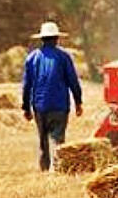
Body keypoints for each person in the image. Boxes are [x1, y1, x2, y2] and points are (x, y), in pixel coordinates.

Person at [22, 21, 83, 172]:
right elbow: (73, 81)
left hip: (40, 106)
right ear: (57, 38)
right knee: (58, 140)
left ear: (42, 39)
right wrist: (78, 102)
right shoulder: (64, 57)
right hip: (59, 106)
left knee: (43, 141)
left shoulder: (32, 58)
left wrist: (26, 108)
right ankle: (58, 170)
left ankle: (44, 169)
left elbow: (26, 86)